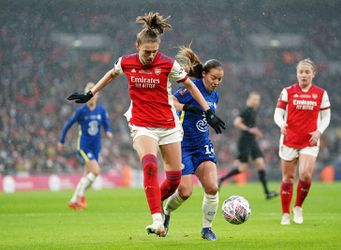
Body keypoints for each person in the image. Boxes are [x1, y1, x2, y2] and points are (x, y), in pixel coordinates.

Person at [66, 12, 225, 236]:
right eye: (146, 51)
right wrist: (90, 93)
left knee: (173, 182)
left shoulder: (168, 64)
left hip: (168, 125)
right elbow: (112, 74)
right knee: (149, 165)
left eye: (154, 52)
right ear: (137, 45)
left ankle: (159, 206)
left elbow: (190, 85)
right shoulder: (126, 62)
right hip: (142, 125)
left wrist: (208, 111)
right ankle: (157, 219)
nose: (150, 56)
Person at [163, 46, 223, 241]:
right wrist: (187, 107)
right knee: (185, 192)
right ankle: (167, 210)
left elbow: (205, 118)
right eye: (213, 77)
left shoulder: (215, 95)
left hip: (202, 145)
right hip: (183, 145)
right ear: (204, 74)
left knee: (213, 187)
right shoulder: (192, 86)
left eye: (220, 79)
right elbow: (171, 101)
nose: (216, 82)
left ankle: (207, 229)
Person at [274, 58, 331, 225]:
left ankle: (298, 206)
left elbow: (326, 117)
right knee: (288, 178)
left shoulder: (321, 94)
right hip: (289, 139)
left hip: (309, 141)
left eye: (307, 72)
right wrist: (281, 123)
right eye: (301, 72)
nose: (304, 75)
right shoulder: (288, 91)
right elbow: (278, 113)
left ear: (313, 74)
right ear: (297, 74)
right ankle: (285, 213)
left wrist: (319, 131)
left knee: (305, 175)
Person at [58, 82, 113, 211]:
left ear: (97, 94)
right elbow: (68, 124)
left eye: (94, 93)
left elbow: (106, 124)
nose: (92, 96)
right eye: (89, 93)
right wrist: (61, 140)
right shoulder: (81, 111)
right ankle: (80, 197)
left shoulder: (101, 110)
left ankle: (74, 200)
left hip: (96, 147)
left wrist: (108, 131)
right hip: (84, 147)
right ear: (86, 94)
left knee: (88, 176)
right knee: (96, 171)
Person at [218, 92, 278, 199]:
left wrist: (255, 131)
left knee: (260, 163)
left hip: (252, 141)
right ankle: (222, 179)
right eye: (254, 99)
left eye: (257, 100)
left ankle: (267, 192)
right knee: (242, 168)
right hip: (244, 141)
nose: (256, 102)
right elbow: (236, 122)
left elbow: (251, 127)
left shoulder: (253, 112)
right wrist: (249, 129)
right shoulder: (247, 111)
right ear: (249, 100)